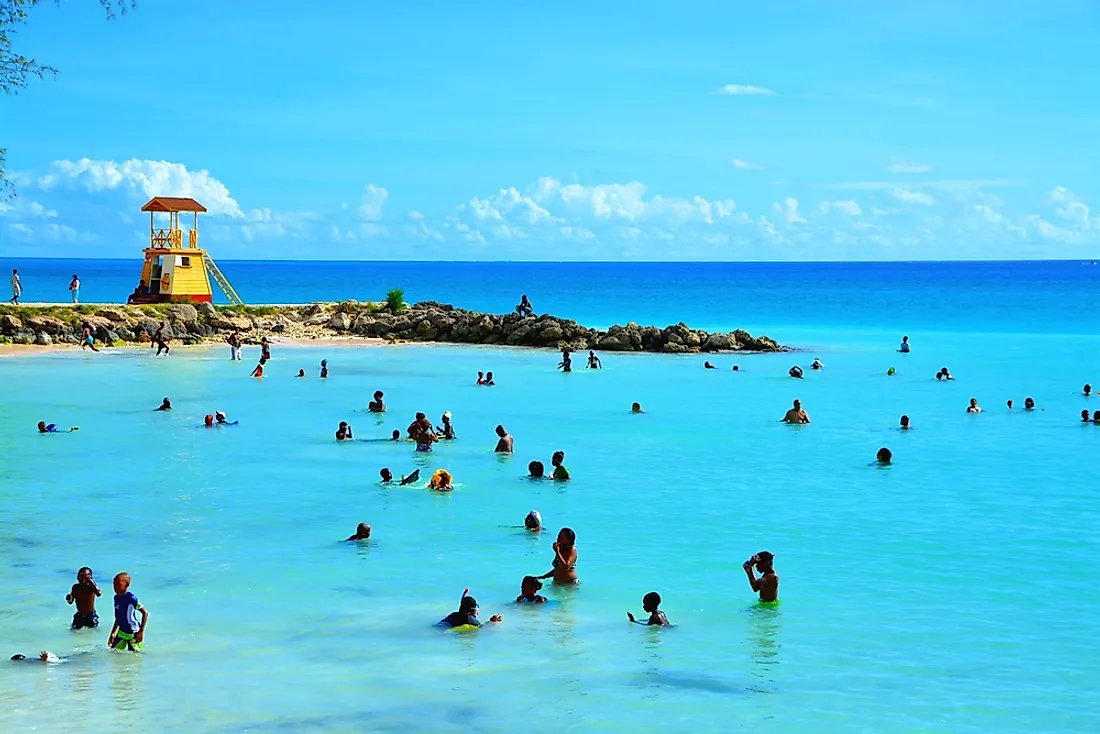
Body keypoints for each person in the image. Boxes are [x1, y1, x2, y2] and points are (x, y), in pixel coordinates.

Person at [107, 572, 148, 652]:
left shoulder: (131, 598)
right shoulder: (116, 598)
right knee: (113, 652)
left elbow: (145, 613)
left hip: (133, 633)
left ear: (126, 585)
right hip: (121, 632)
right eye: (114, 584)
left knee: (135, 656)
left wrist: (141, 631)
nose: (115, 587)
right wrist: (113, 633)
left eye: (118, 584)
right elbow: (118, 617)